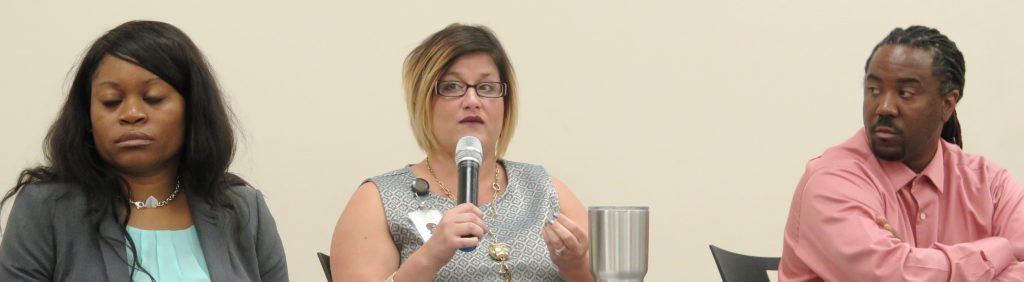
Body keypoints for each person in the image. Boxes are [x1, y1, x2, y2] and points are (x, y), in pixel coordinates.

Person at [0, 20, 288, 281]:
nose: (132, 114)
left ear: (193, 110)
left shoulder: (243, 209)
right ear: (87, 117)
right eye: (112, 101)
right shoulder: (48, 208)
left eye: (153, 98)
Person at [329, 23, 593, 281]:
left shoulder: (544, 189)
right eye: (452, 87)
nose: (472, 101)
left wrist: (575, 267)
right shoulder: (378, 201)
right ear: (423, 99)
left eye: (486, 88)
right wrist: (429, 258)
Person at [779, 25, 1024, 281]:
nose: (884, 107)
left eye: (905, 93)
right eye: (873, 90)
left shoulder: (990, 184)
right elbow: (894, 277)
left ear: (947, 104)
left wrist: (915, 264)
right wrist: (998, 251)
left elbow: (907, 273)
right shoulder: (832, 181)